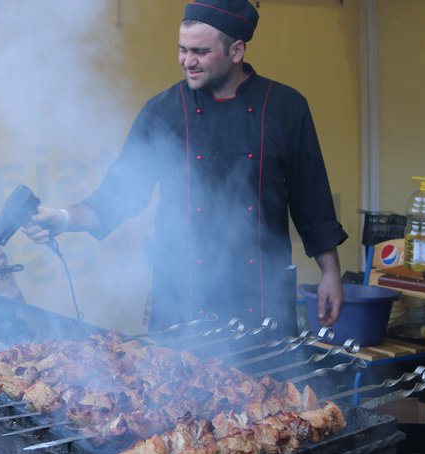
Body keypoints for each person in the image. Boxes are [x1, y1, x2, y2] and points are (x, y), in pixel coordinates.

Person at [23, 0, 347, 335]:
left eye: (200, 51)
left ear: (236, 51)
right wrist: (60, 218)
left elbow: (312, 202)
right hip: (184, 297)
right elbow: (120, 195)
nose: (187, 62)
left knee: (270, 386)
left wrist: (330, 273)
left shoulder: (285, 107)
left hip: (263, 295)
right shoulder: (164, 111)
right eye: (182, 49)